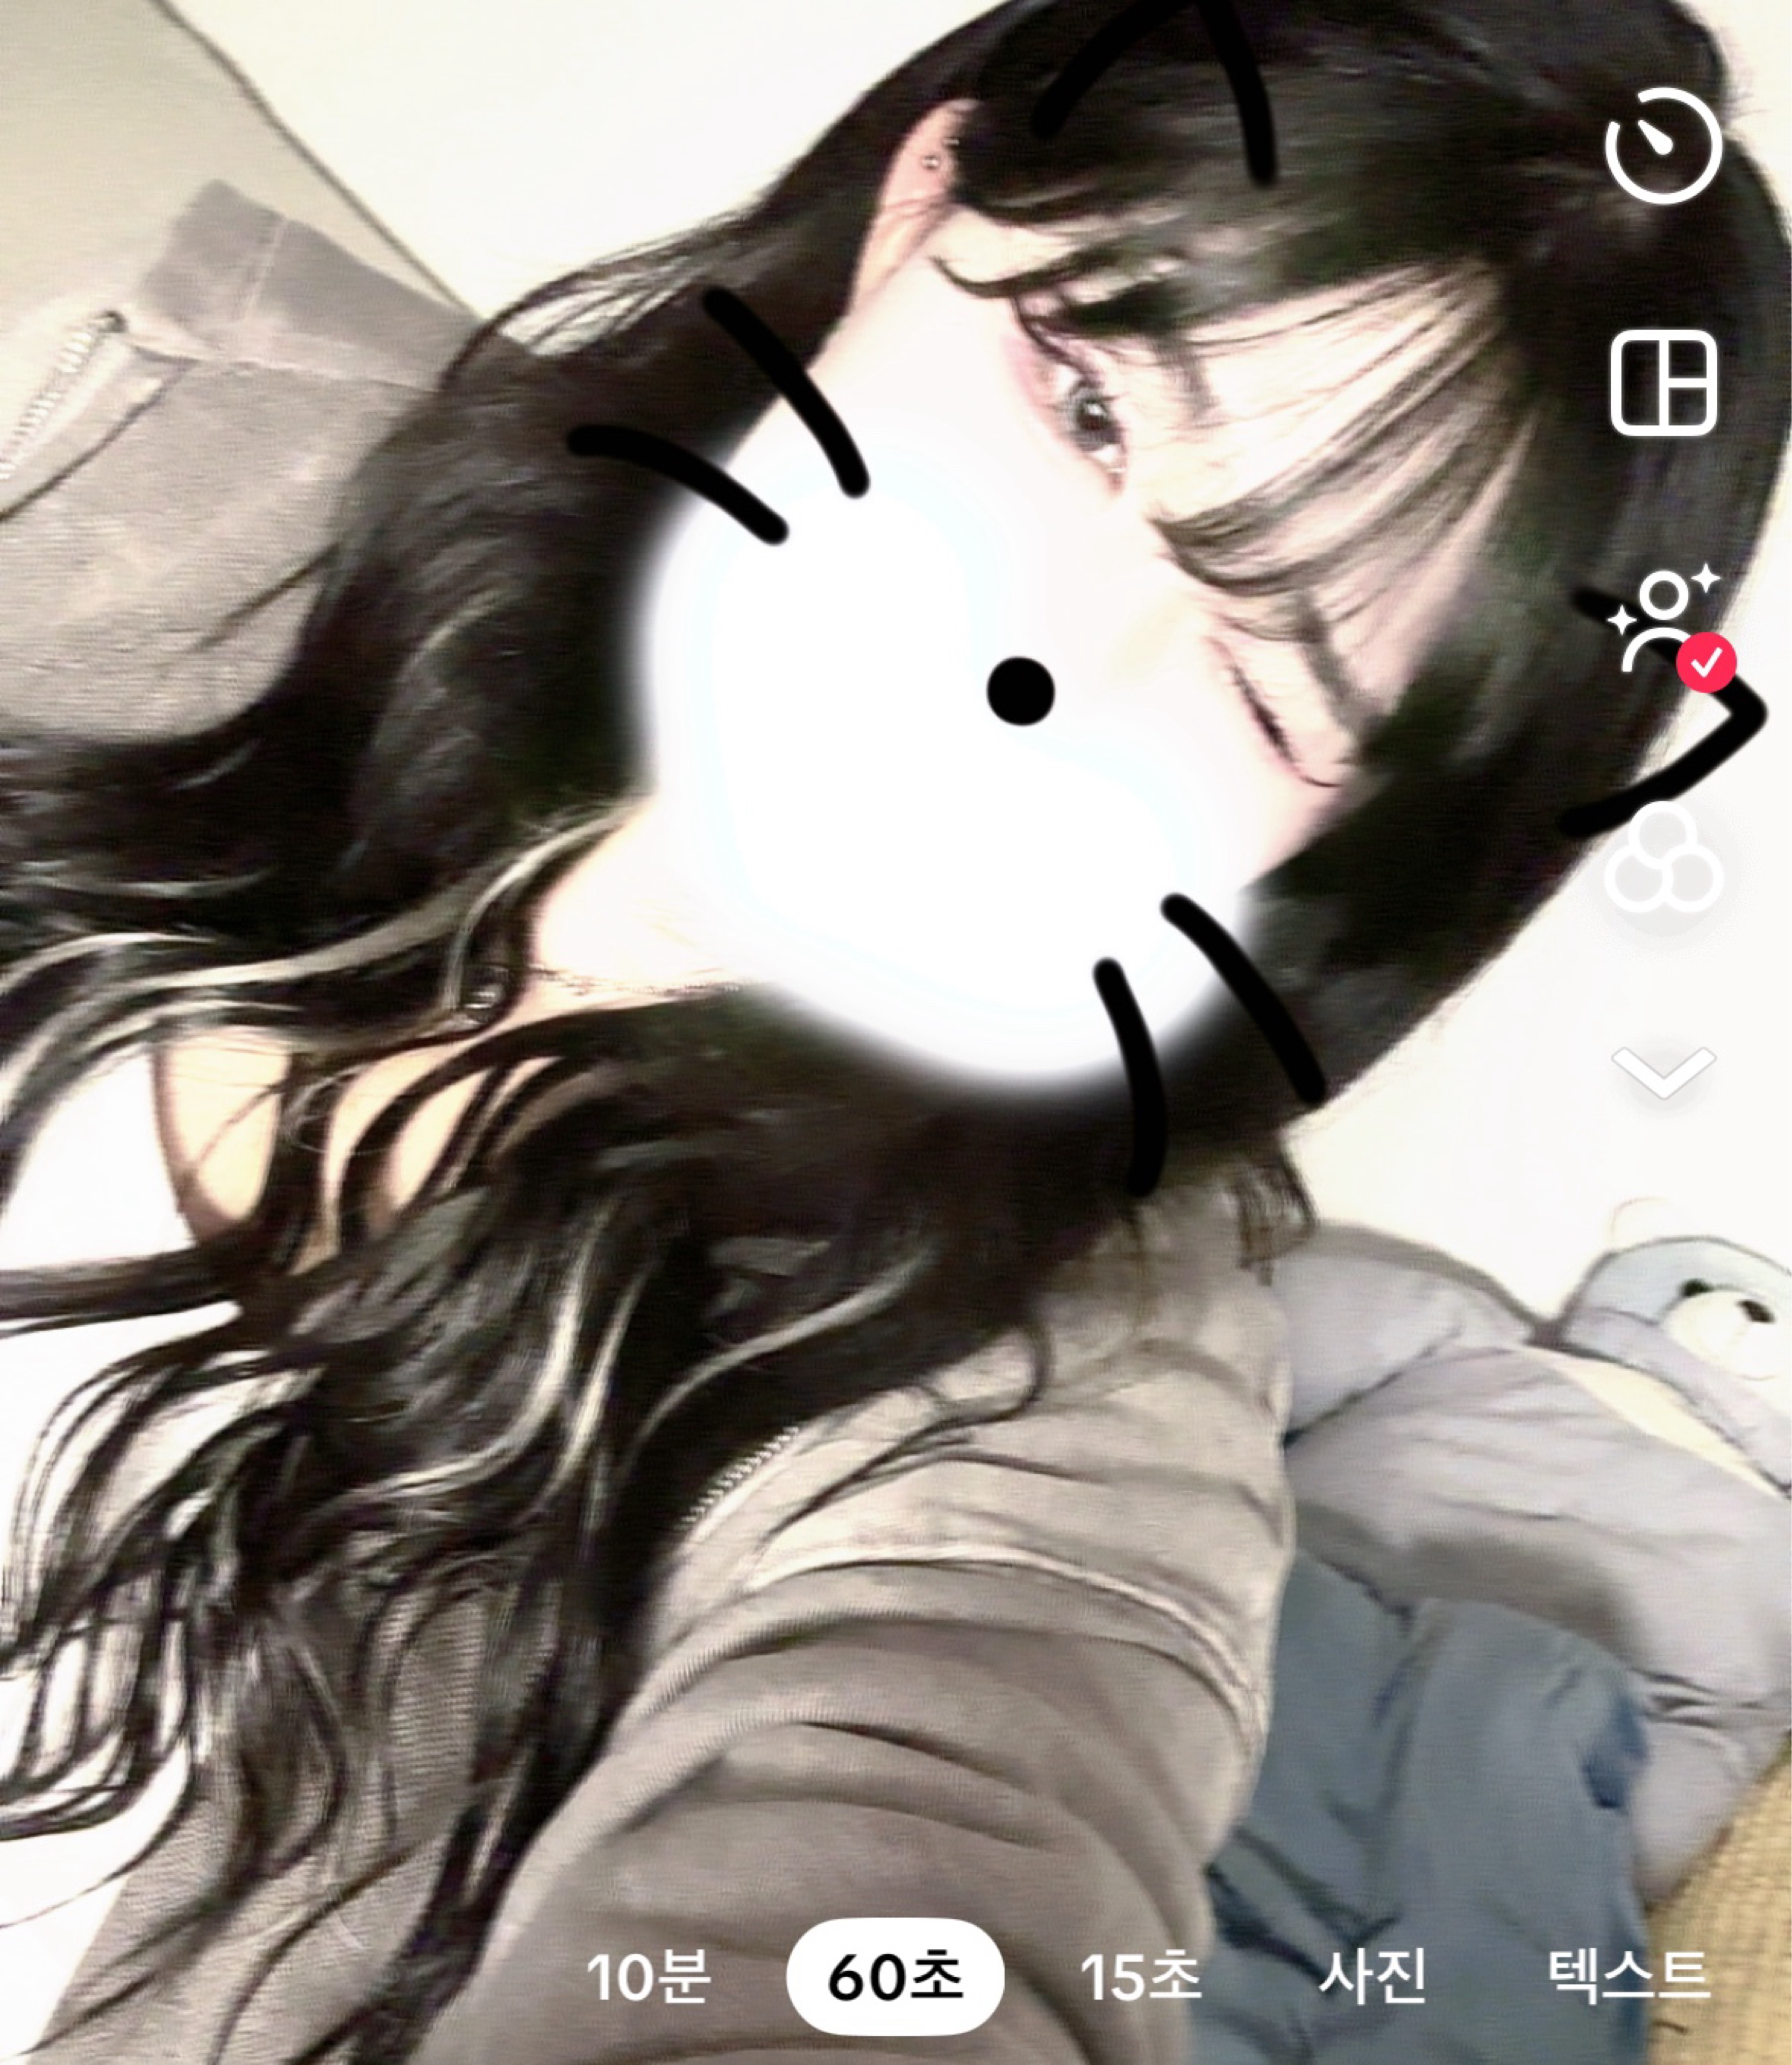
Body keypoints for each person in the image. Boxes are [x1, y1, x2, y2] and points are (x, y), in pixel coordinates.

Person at [0, 1, 1783, 2060]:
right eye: (1088, 409)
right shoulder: (164, 451)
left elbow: (955, 1800)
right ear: (925, 206)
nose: (1030, 680)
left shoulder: (1053, 1399)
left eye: (1271, 684)